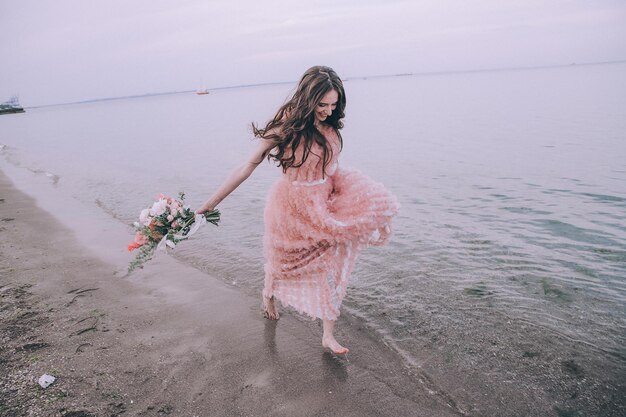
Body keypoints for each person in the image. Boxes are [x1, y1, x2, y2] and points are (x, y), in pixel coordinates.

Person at [196, 66, 399, 354]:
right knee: (282, 263)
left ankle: (328, 335)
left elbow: (329, 167)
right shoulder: (285, 126)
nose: (328, 111)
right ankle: (268, 295)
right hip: (292, 206)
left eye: (333, 104)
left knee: (329, 266)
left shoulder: (329, 125)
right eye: (322, 104)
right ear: (308, 98)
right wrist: (209, 204)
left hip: (325, 204)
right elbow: (247, 167)